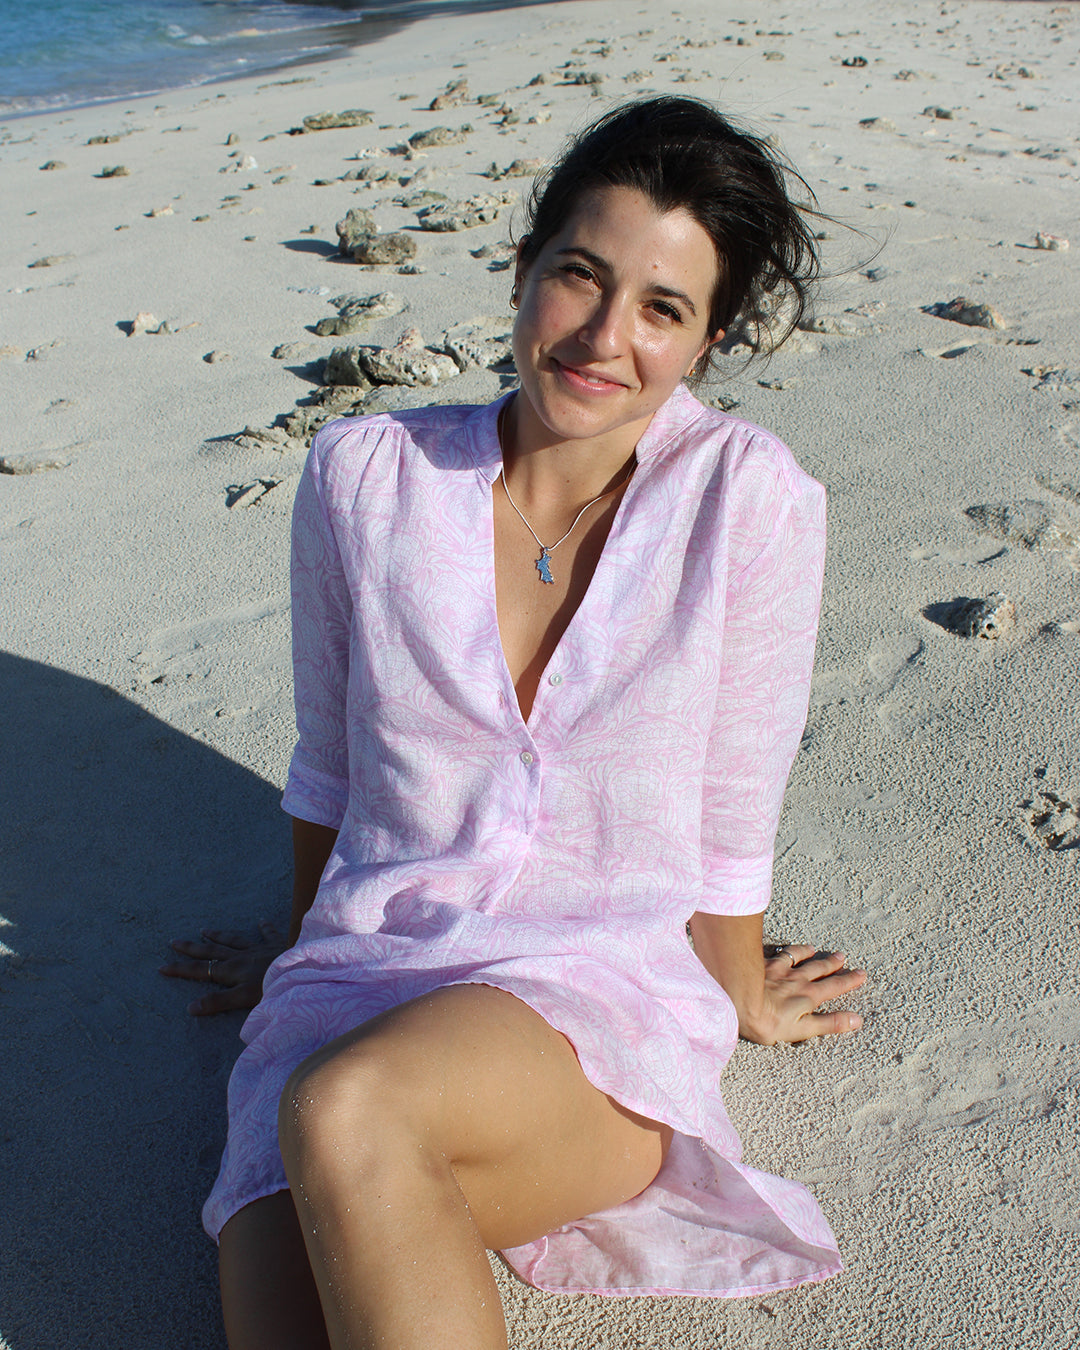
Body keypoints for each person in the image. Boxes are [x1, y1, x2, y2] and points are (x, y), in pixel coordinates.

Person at [162, 95, 867, 1350]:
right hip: (362, 985)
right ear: (525, 269)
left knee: (343, 1114)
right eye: (579, 278)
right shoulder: (364, 475)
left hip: (593, 1002)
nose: (605, 338)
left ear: (704, 340)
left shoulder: (746, 501)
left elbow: (733, 797)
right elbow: (331, 766)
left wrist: (737, 988)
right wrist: (293, 943)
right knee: (285, 1273)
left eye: (663, 309)